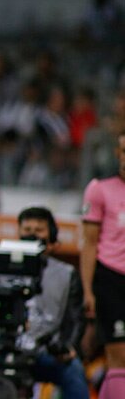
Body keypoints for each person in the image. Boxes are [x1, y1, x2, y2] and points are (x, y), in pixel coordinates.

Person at [0, 207, 89, 398]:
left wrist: (67, 347)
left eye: (39, 230)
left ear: (51, 238)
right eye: (27, 230)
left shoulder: (66, 275)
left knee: (73, 372)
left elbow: (76, 318)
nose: (32, 235)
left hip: (43, 352)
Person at [81, 130, 125, 398]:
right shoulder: (100, 189)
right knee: (119, 354)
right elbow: (88, 243)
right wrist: (88, 290)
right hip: (112, 278)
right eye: (122, 150)